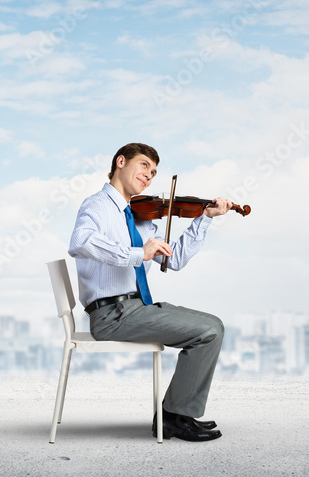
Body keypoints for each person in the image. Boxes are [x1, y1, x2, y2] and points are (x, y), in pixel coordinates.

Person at [68, 142, 231, 442]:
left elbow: (175, 259)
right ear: (121, 162)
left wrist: (204, 219)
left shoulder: (142, 216)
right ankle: (172, 418)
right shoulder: (97, 206)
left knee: (214, 326)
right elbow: (81, 241)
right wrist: (136, 254)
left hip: (136, 308)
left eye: (154, 171)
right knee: (208, 330)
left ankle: (176, 415)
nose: (149, 175)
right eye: (144, 165)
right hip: (111, 314)